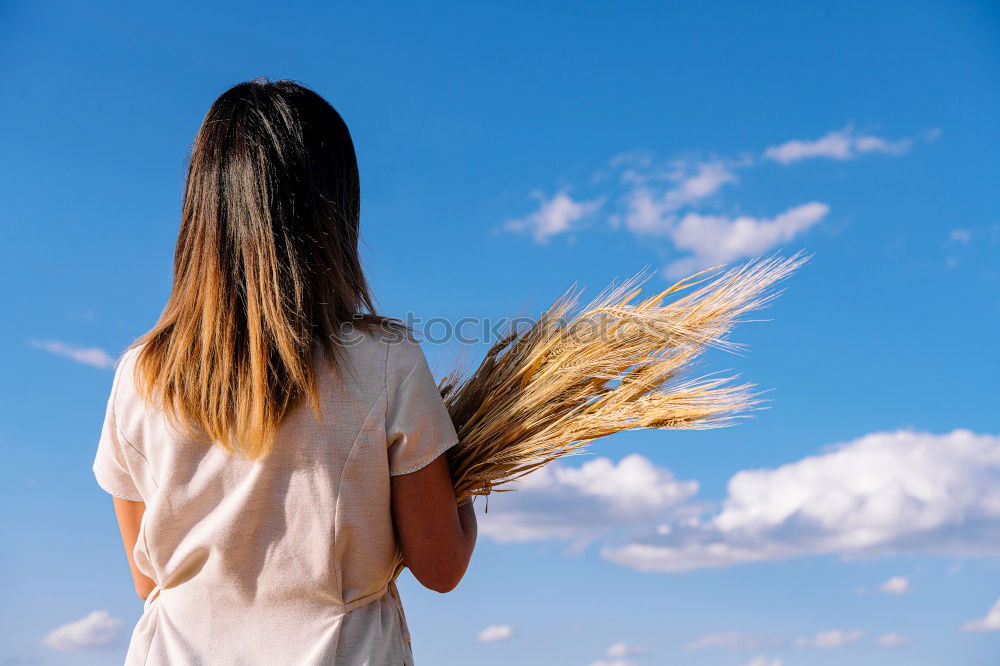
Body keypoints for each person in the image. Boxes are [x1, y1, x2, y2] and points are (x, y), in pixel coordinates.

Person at [92, 78, 477, 665]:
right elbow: (440, 566)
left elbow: (149, 581)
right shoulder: (386, 360)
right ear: (335, 209)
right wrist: (468, 471)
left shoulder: (140, 374)